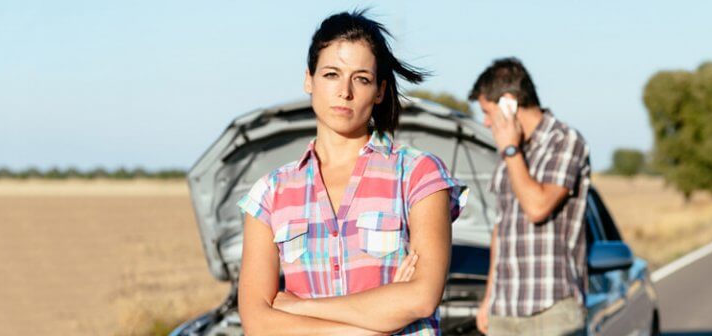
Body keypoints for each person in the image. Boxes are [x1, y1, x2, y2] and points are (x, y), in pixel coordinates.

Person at [236, 10, 466, 336]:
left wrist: (301, 307)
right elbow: (258, 323)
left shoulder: (419, 174)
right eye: (331, 74)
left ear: (380, 90)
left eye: (361, 78)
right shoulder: (269, 194)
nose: (345, 91)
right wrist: (378, 323)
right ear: (308, 79)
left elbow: (422, 297)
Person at [469, 58, 591, 336]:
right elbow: (502, 228)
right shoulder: (510, 151)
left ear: (508, 103)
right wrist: (489, 298)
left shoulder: (565, 141)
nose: (486, 123)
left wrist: (511, 151)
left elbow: (537, 207)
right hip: (504, 310)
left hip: (552, 308)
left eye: (488, 112)